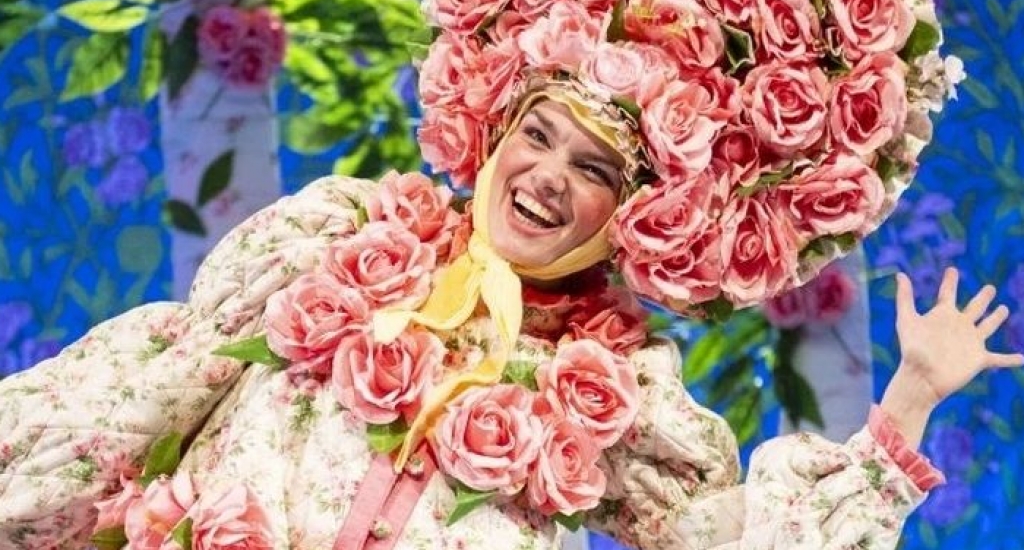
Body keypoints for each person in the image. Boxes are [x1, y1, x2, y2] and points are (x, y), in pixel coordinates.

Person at [0, 74, 1021, 550]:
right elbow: (157, 382)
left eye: (594, 170)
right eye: (536, 136)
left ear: (627, 216)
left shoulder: (619, 385)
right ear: (494, 140)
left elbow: (724, 541)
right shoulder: (343, 236)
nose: (546, 177)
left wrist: (910, 400)